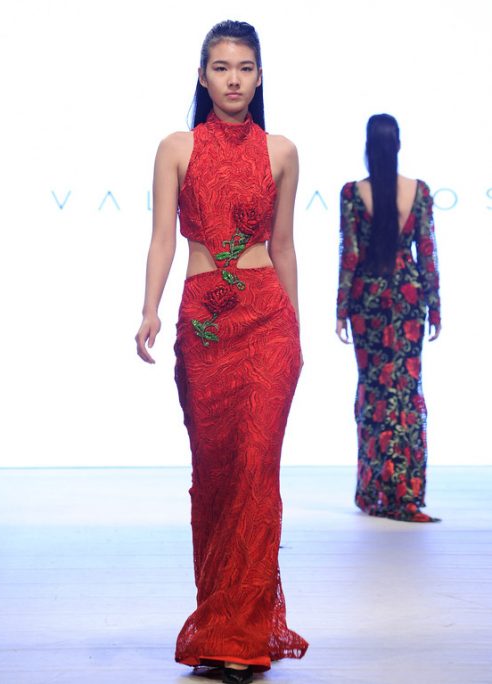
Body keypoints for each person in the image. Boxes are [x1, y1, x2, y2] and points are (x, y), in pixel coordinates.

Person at [135, 20, 308, 684]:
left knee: (257, 473)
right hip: (205, 324)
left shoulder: (282, 152)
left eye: (245, 68)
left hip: (268, 322)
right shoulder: (176, 149)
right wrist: (149, 309)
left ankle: (242, 639)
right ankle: (219, 624)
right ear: (202, 76)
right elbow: (162, 238)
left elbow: (284, 245)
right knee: (215, 478)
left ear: (260, 77)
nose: (234, 79)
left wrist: (296, 331)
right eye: (221, 67)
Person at [336, 113, 441, 523]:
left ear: (368, 146)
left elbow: (350, 256)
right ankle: (406, 491)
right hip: (408, 297)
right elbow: (426, 252)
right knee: (407, 391)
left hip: (368, 298)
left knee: (374, 392)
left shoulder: (353, 193)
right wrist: (434, 305)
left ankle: (374, 491)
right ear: (397, 145)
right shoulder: (419, 191)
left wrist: (341, 308)